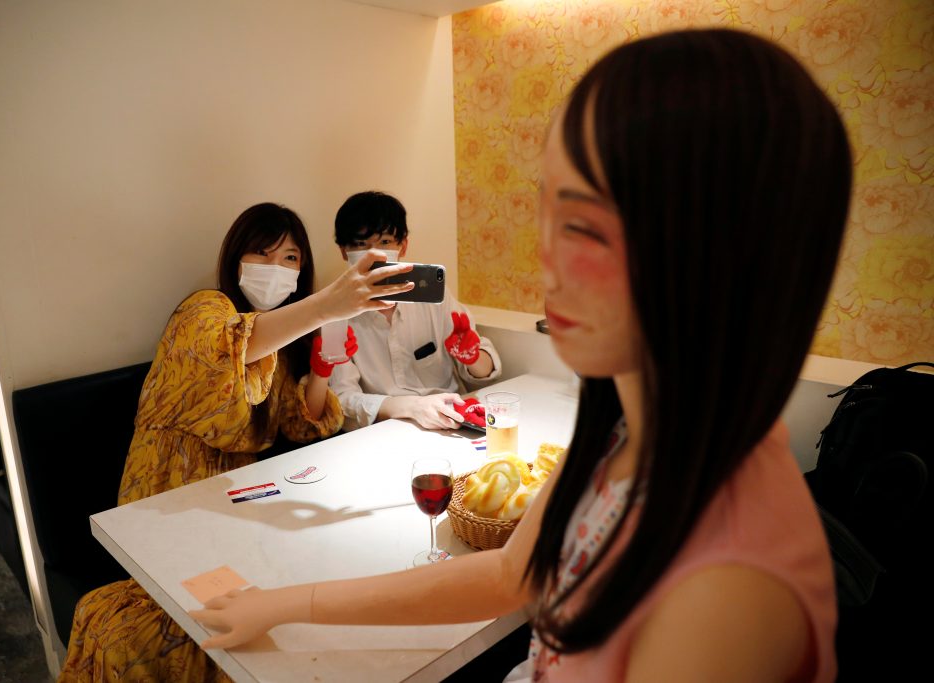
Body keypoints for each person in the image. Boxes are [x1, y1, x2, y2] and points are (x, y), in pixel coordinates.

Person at [191, 28, 851, 683]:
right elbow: (512, 572)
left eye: (582, 224)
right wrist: (287, 603)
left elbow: (480, 374)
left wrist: (464, 349)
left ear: (720, 253)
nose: (544, 258)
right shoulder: (621, 432)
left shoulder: (726, 593)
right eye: (544, 210)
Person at [59, 202, 414, 682]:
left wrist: (323, 370)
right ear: (235, 258)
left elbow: (304, 422)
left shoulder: (285, 341)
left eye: (289, 259)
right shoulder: (204, 307)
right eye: (261, 253)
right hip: (170, 489)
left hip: (242, 500)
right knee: (198, 622)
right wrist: (330, 304)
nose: (275, 268)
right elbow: (230, 346)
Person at [329, 191, 503, 431]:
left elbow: (484, 372)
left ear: (403, 245)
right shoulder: (335, 312)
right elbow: (342, 398)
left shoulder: (434, 297)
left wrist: (472, 357)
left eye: (385, 242)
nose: (373, 253)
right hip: (384, 430)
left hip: (450, 421)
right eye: (360, 244)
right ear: (343, 251)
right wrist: (411, 407)